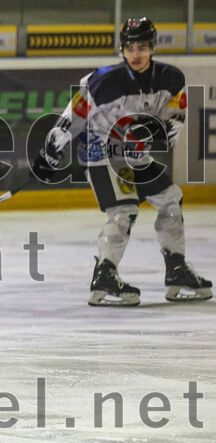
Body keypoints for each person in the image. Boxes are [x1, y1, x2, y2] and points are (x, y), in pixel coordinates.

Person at [32, 17, 211, 306]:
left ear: (152, 48)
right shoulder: (104, 80)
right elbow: (73, 115)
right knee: (123, 209)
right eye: (130, 48)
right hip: (100, 153)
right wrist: (52, 149)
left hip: (135, 156)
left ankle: (177, 268)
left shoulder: (172, 79)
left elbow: (173, 125)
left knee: (170, 199)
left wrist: (154, 132)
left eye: (142, 47)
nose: (136, 54)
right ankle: (104, 273)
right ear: (122, 49)